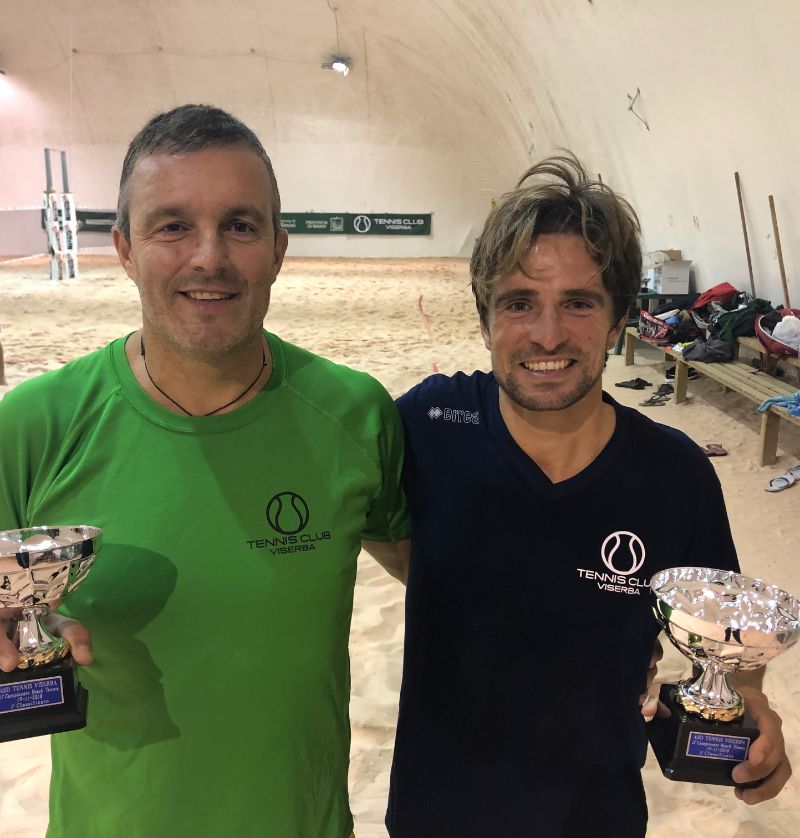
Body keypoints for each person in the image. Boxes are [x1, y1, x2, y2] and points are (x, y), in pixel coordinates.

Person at [0, 104, 410, 838]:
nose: (209, 257)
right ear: (124, 247)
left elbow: (440, 573)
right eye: (172, 226)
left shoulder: (356, 415)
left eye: (241, 226)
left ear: (279, 249)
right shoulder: (33, 425)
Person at [385, 155, 791, 836]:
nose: (548, 335)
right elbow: (356, 516)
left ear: (617, 321)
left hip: (594, 817)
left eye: (578, 302)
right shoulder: (427, 425)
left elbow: (728, 645)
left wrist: (754, 713)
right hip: (437, 812)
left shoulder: (676, 474)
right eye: (519, 303)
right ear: (485, 320)